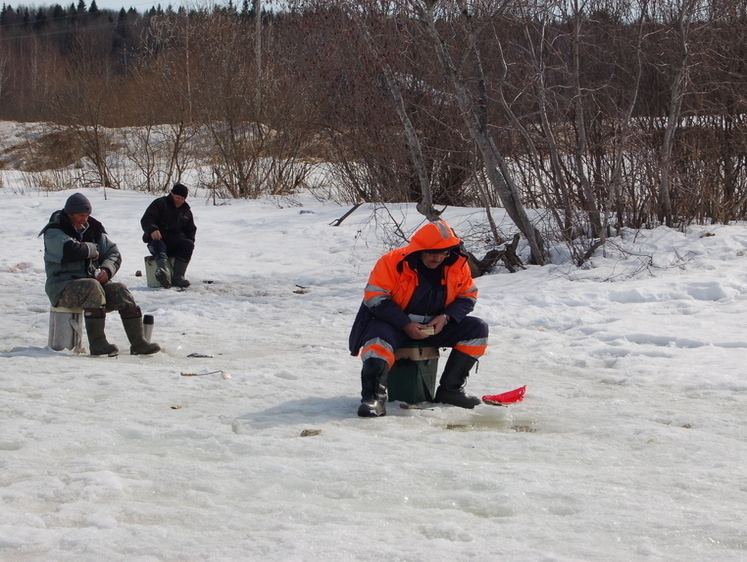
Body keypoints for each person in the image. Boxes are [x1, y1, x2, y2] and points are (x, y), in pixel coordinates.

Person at [349, 220, 489, 417]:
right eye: (433, 252)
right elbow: (375, 298)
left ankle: (450, 390)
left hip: (434, 327)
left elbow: (467, 296)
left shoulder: (457, 265)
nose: (438, 257)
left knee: (477, 329)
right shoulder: (391, 261)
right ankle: (373, 399)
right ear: (420, 249)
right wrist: (405, 324)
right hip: (392, 325)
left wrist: (446, 318)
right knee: (376, 341)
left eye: (444, 252)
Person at [40, 193, 161, 356]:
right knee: (92, 286)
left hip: (91, 286)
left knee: (120, 290)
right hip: (61, 287)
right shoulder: (54, 231)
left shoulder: (93, 229)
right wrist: (93, 250)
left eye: (87, 215)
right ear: (70, 214)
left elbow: (113, 253)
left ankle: (138, 342)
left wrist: (106, 270)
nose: (85, 219)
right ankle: (98, 343)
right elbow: (70, 250)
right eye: (81, 215)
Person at [140, 183, 197, 289]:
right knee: (158, 244)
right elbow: (147, 219)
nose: (179, 201)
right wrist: (152, 229)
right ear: (171, 194)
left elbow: (191, 230)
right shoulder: (160, 203)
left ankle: (178, 276)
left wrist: (189, 241)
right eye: (177, 197)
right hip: (158, 240)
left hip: (175, 242)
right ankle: (164, 273)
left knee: (188, 244)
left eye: (182, 199)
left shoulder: (186, 211)